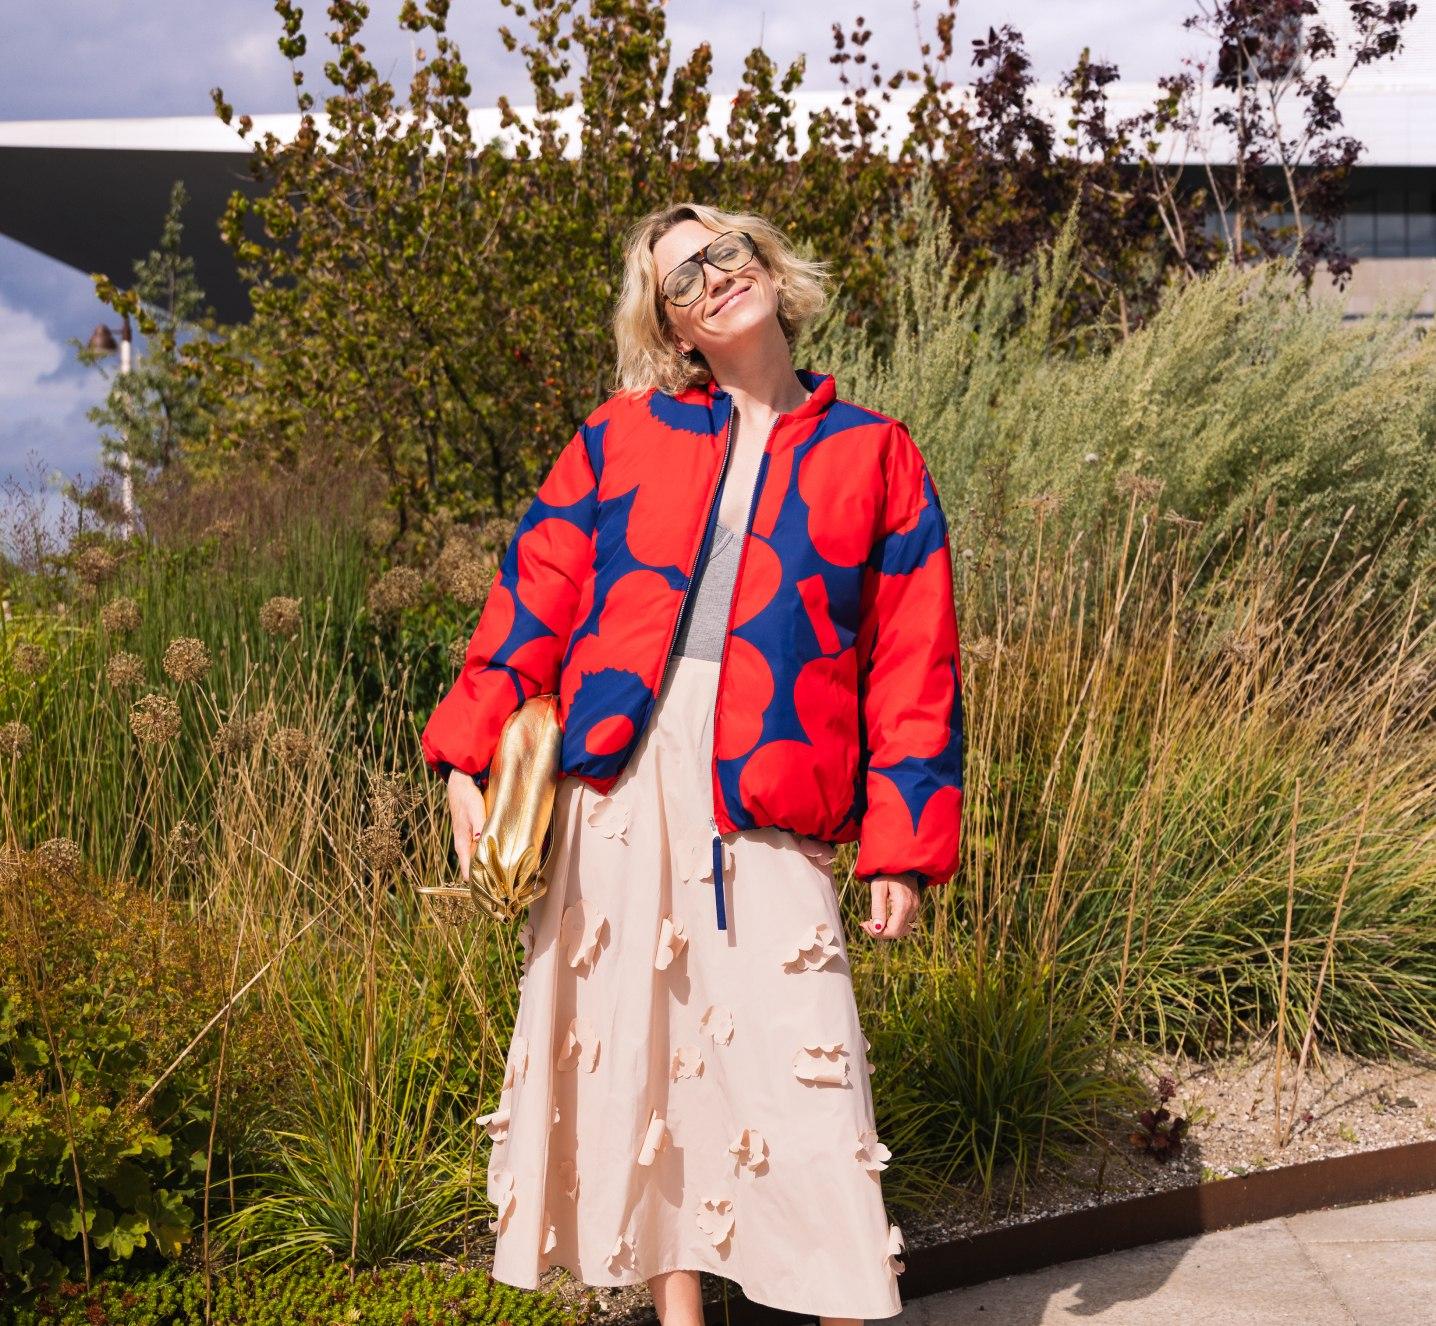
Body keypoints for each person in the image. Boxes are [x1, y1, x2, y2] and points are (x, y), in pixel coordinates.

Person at [421, 202, 964, 1325]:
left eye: (727, 253)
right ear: (670, 328)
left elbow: (913, 663)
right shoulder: (620, 437)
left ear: (768, 268)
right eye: (683, 278)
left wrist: (901, 847)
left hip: (771, 784)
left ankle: (840, 1305)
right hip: (617, 784)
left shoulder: (875, 450)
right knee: (650, 1046)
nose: (714, 278)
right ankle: (678, 1315)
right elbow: (534, 591)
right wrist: (465, 752)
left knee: (803, 1065)